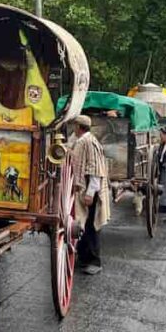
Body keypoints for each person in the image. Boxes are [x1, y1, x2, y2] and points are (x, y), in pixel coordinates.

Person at [70, 115, 110, 274]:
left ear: (79, 127)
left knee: (92, 226)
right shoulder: (82, 140)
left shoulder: (88, 142)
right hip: (83, 188)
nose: (73, 128)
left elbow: (95, 170)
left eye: (75, 126)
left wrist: (90, 192)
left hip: (88, 189)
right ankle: (83, 257)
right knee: (83, 224)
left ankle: (94, 261)